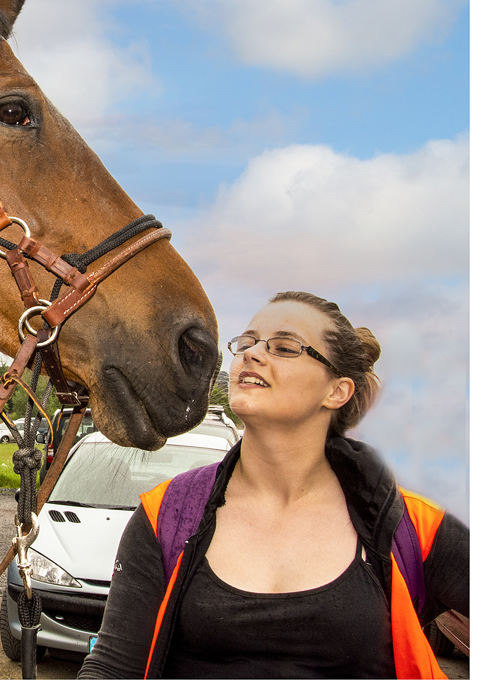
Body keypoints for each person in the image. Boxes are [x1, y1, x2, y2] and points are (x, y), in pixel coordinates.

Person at [79, 291, 468, 679]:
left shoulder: (410, 524)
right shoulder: (166, 514)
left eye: (284, 347)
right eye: (246, 343)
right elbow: (114, 667)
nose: (251, 353)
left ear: (337, 391)